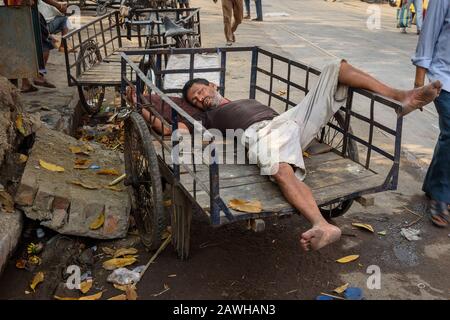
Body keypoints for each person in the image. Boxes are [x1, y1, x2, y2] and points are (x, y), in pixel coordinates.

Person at [181, 60, 441, 251]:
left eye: (202, 91)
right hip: (260, 134)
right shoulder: (206, 118)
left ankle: (400, 97)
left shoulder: (245, 99)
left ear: (213, 85)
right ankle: (321, 224)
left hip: (287, 120)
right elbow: (170, 126)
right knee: (281, 170)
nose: (200, 99)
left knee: (335, 68)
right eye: (195, 99)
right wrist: (144, 103)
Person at [412, 0, 450, 227]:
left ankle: (433, 185)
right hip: (443, 79)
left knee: (447, 136)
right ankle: (441, 196)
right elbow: (428, 36)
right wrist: (419, 85)